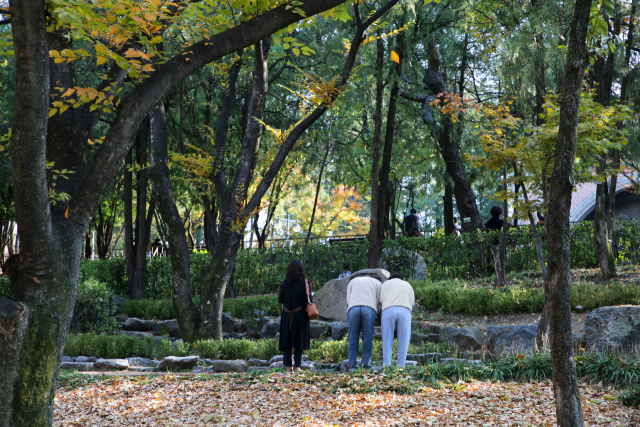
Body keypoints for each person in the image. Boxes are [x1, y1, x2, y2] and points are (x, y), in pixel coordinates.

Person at [278, 259, 312, 373]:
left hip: (287, 315)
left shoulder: (284, 284)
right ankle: (297, 366)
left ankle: (288, 366)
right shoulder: (305, 283)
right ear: (301, 270)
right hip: (301, 315)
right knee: (299, 340)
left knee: (286, 340)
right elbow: (309, 300)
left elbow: (280, 300)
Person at [346, 274, 382, 370]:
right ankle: (366, 365)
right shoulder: (377, 283)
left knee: (353, 337)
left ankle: (353, 365)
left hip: (353, 307)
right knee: (367, 338)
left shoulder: (353, 280)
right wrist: (375, 310)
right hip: (369, 308)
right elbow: (379, 300)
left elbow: (348, 299)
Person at [379, 273, 415, 368]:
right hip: (405, 310)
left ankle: (386, 366)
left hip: (388, 309)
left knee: (387, 340)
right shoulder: (408, 285)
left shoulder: (386, 284)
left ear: (390, 279)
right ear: (401, 279)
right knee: (404, 341)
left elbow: (381, 299)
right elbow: (412, 301)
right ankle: (400, 367)